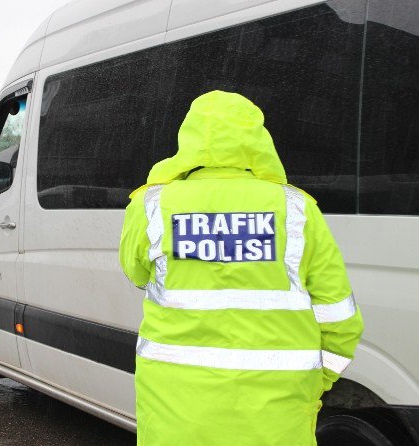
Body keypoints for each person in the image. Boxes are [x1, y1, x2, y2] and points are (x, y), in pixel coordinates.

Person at [119, 91, 364, 446]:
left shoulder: (151, 203)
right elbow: (340, 318)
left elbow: (135, 273)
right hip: (274, 412)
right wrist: (316, 377)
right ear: (257, 140)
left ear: (187, 138)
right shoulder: (297, 208)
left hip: (176, 407)